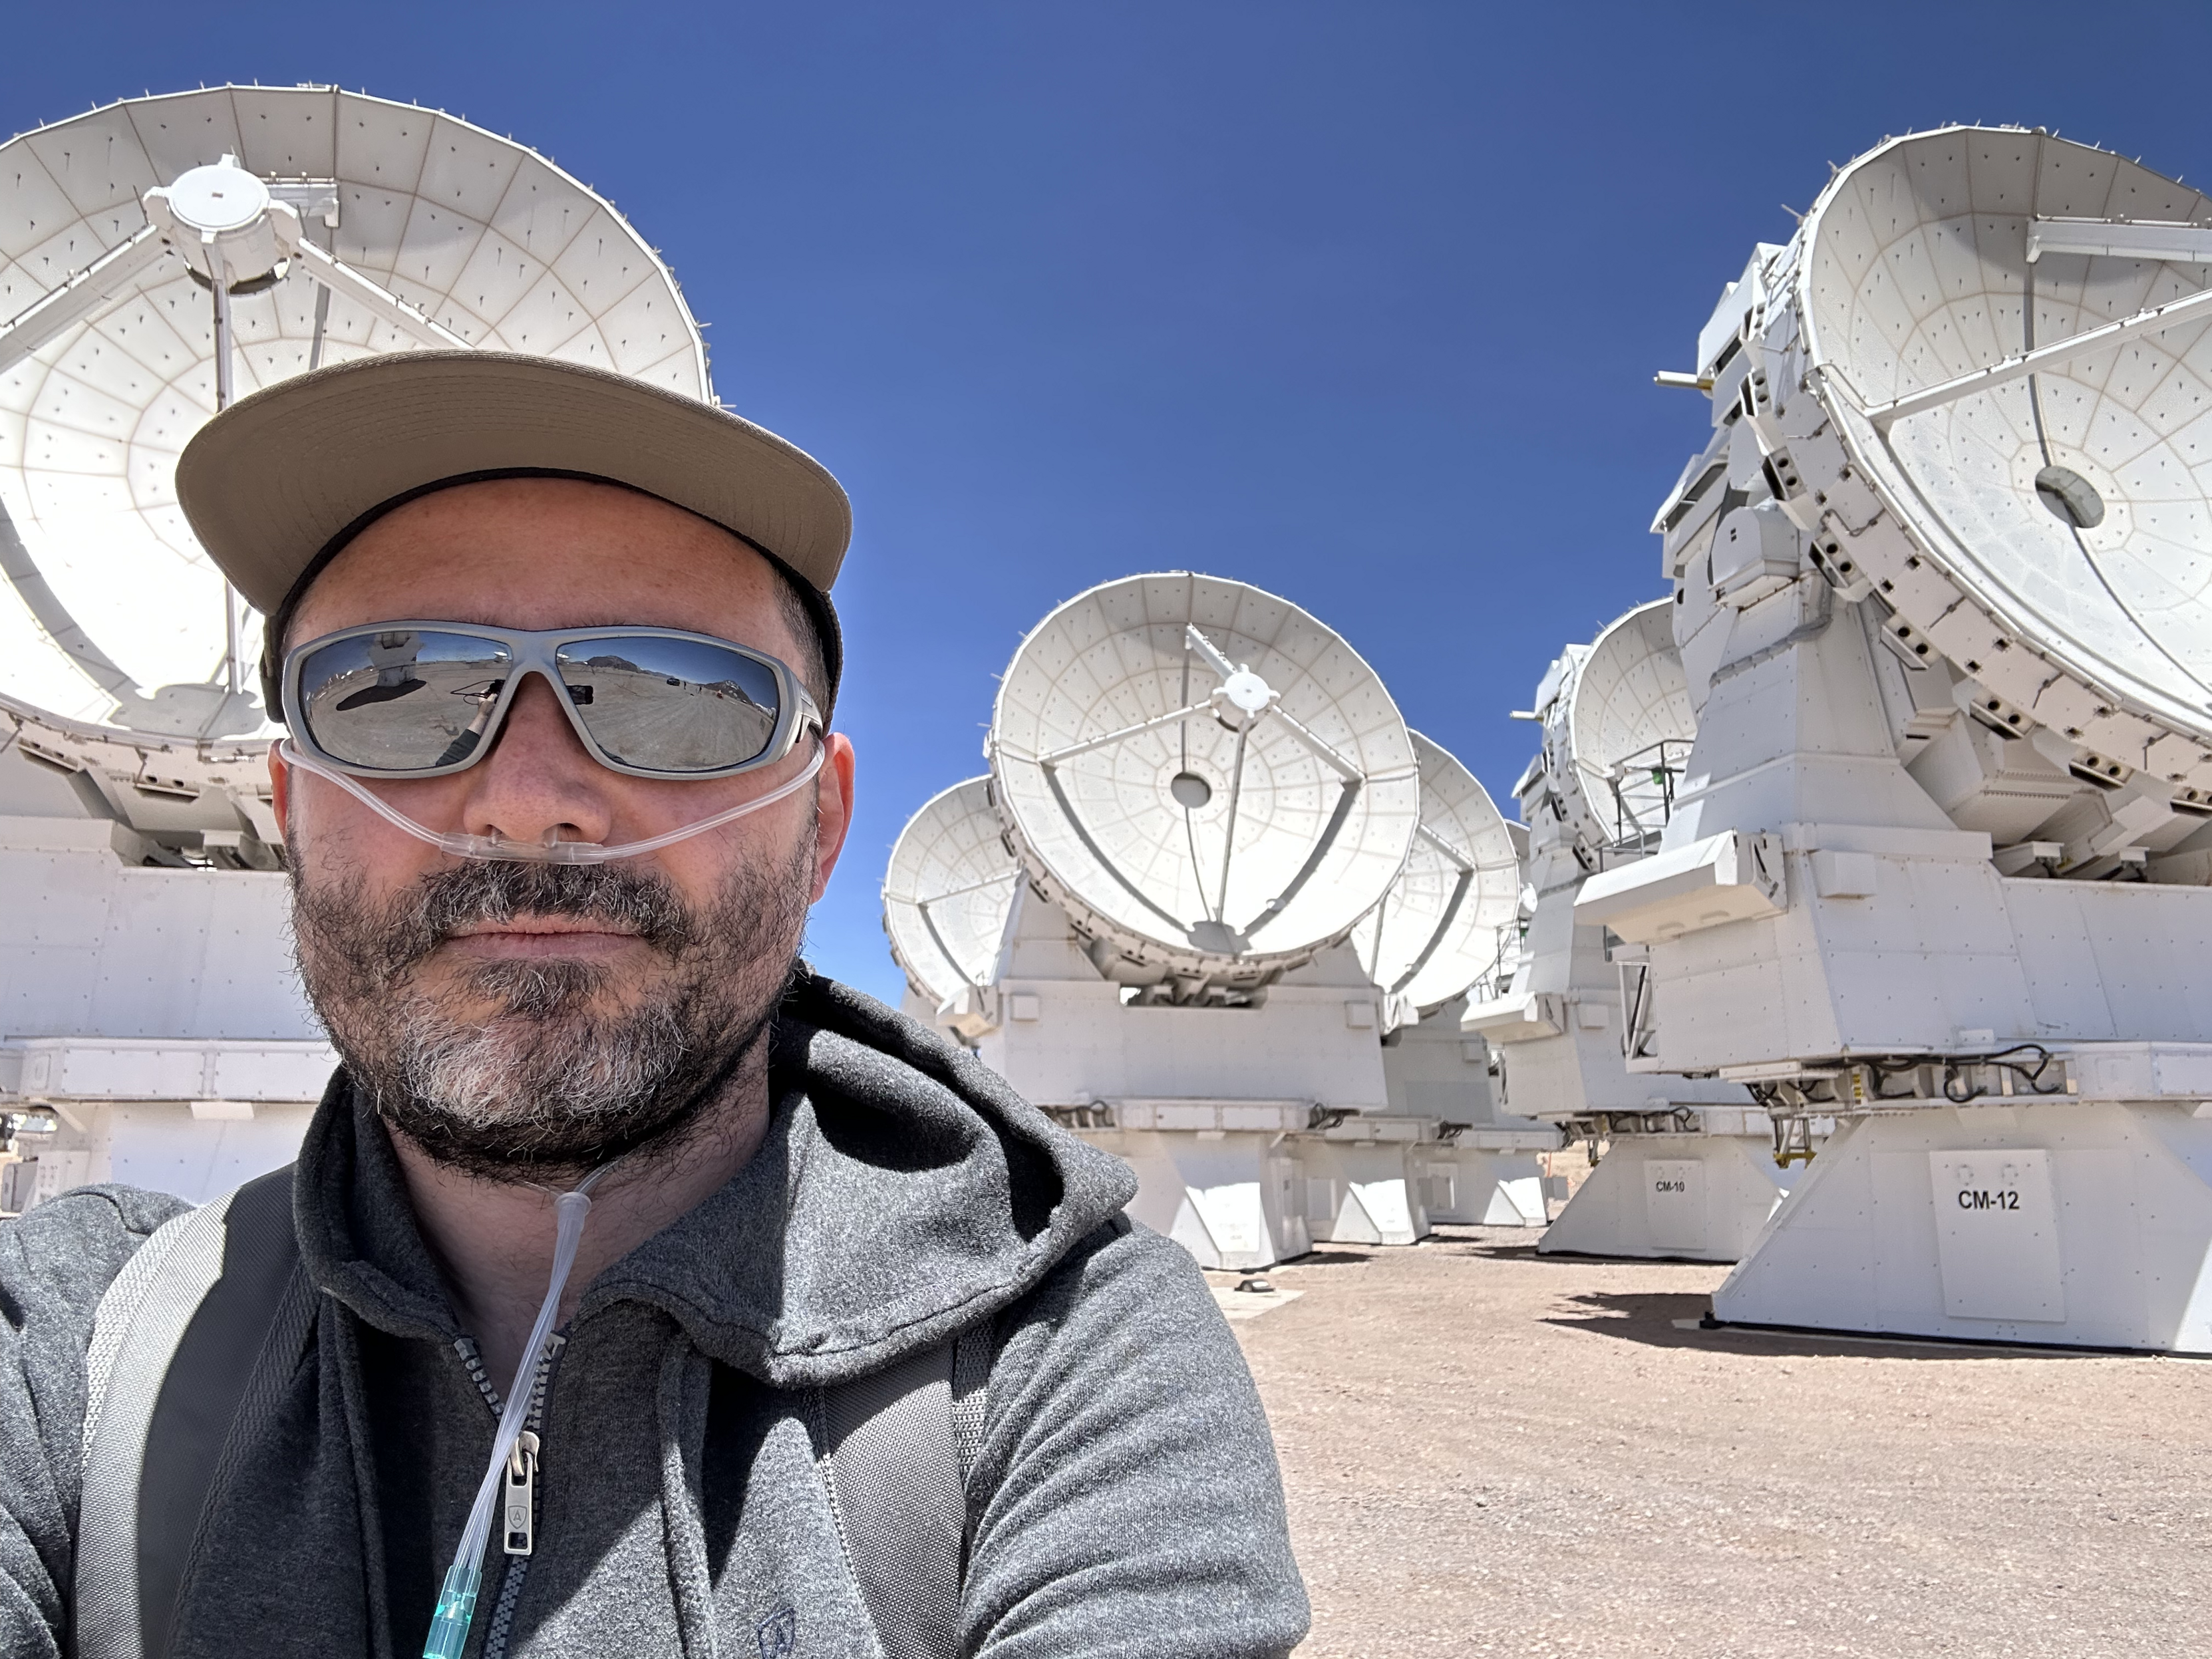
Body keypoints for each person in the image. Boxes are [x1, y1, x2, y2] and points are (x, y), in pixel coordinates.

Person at [0, 352, 1309, 1659]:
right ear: (291, 809)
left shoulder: (1069, 1360)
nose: (527, 794)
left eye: (674, 699)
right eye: (391, 692)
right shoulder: (81, 1341)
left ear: (821, 825)